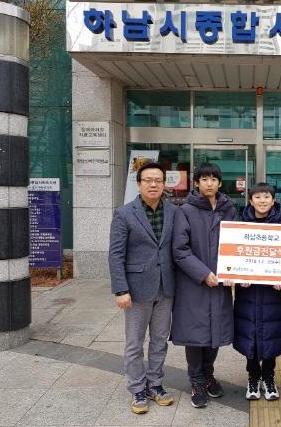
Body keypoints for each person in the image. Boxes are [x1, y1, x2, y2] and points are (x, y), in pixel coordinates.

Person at [108, 162, 177, 414]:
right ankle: (137, 387)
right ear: (139, 184)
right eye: (148, 180)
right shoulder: (124, 213)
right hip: (136, 289)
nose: (153, 184)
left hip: (166, 287)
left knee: (159, 341)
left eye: (158, 180)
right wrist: (120, 289)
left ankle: (155, 384)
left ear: (164, 184)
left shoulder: (174, 211)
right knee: (135, 343)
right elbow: (116, 254)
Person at [171, 162, 237, 408]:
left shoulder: (229, 209)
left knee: (215, 332)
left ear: (219, 183)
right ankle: (196, 381)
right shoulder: (185, 211)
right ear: (197, 182)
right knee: (195, 334)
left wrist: (236, 271)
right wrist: (204, 273)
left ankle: (208, 375)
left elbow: (238, 245)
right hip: (194, 283)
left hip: (221, 283)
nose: (209, 183)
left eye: (213, 179)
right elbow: (180, 250)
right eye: (204, 179)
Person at [233, 183, 281, 402]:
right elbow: (234, 257)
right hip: (248, 292)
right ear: (250, 200)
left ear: (273, 200)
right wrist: (239, 276)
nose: (262, 201)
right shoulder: (240, 227)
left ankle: (269, 377)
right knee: (251, 336)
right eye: (257, 197)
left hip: (273, 294)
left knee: (271, 335)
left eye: (266, 197)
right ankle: (253, 377)